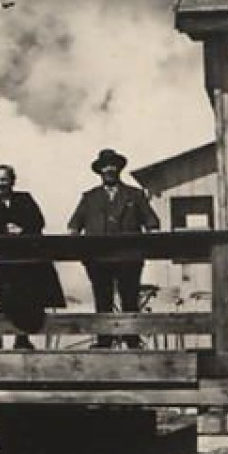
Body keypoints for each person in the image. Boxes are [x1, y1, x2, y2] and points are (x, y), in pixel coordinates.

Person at [66, 148, 161, 348]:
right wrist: (77, 244)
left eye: (113, 165)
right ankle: (104, 341)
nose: (109, 169)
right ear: (100, 171)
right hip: (98, 259)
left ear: (119, 168)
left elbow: (152, 222)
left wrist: (148, 240)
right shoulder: (89, 198)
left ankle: (132, 341)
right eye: (105, 166)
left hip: (129, 258)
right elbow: (74, 225)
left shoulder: (135, 195)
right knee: (102, 300)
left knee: (129, 299)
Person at [0, 164, 65, 349]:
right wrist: (4, 230)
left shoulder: (25, 199)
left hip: (29, 261)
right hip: (6, 261)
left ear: (12, 181)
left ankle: (23, 339)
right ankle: (15, 336)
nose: (0, 183)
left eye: (4, 179)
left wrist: (22, 230)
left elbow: (38, 221)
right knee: (10, 301)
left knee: (31, 300)